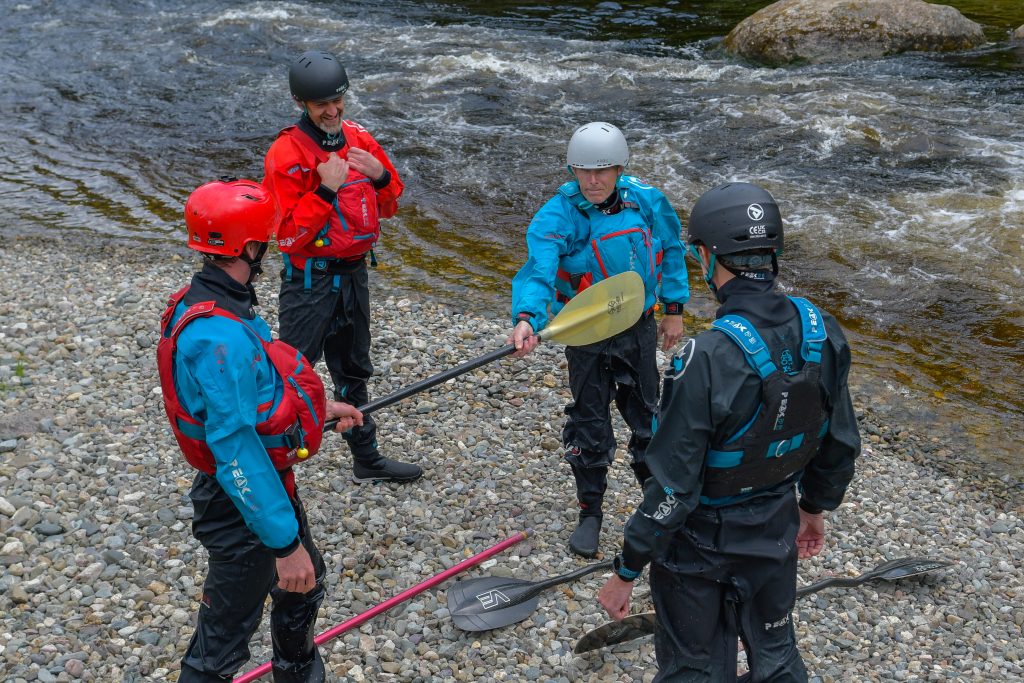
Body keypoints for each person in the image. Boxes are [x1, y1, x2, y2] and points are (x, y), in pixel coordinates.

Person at [597, 182, 861, 682]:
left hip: (697, 546)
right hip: (775, 530)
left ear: (706, 257)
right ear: (773, 253)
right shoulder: (823, 331)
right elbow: (840, 442)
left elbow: (673, 490)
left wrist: (626, 570)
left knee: (694, 668)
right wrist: (812, 509)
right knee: (776, 656)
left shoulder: (705, 358)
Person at [157, 178, 364, 682]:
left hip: (263, 489)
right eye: (263, 239)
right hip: (241, 506)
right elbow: (235, 451)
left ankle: (295, 671)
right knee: (219, 649)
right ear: (249, 245)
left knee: (305, 585)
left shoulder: (206, 298)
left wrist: (318, 408)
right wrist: (281, 545)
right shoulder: (218, 337)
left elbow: (255, 392)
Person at [509, 121, 690, 558]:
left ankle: (658, 506)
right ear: (572, 169)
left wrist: (674, 310)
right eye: (583, 171)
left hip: (638, 328)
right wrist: (528, 318)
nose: (592, 181)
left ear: (619, 168)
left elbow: (671, 249)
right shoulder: (557, 215)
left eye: (602, 171)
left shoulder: (646, 200)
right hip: (586, 333)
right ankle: (590, 512)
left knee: (649, 416)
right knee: (590, 423)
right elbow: (538, 270)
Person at [263, 49, 421, 483]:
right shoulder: (285, 154)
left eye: (338, 101)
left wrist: (382, 178)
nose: (332, 111)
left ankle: (366, 460)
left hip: (354, 274)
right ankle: (272, 465)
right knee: (292, 374)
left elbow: (389, 204)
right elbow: (289, 237)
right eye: (321, 106)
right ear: (301, 105)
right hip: (309, 282)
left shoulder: (358, 138)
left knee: (353, 368)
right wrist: (326, 191)